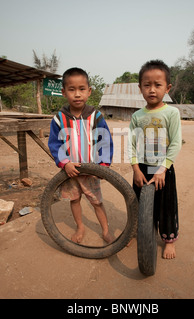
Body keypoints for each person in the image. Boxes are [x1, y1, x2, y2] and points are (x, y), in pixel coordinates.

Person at [48, 67, 114, 244]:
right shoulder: (59, 118)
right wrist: (64, 163)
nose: (77, 94)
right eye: (72, 89)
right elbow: (54, 144)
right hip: (71, 171)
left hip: (92, 171)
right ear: (64, 92)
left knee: (97, 202)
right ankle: (80, 226)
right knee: (74, 200)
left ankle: (106, 230)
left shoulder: (95, 116)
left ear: (89, 91)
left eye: (82, 89)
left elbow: (105, 140)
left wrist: (104, 166)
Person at [128, 60, 182, 259]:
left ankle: (169, 240)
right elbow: (131, 144)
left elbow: (176, 143)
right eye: (147, 85)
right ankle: (138, 232)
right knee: (138, 203)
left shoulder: (171, 113)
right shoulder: (137, 116)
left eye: (157, 85)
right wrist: (135, 168)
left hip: (163, 169)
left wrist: (162, 169)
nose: (152, 90)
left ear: (167, 88)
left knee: (166, 206)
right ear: (140, 88)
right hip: (142, 167)